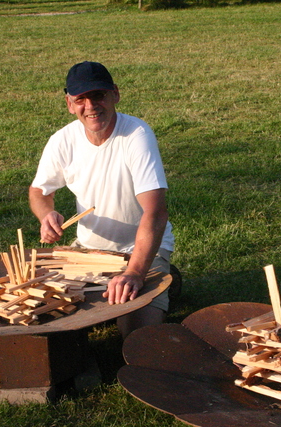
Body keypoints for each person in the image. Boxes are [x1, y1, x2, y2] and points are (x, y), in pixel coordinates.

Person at [29, 61, 175, 339]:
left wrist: (134, 273)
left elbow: (155, 213)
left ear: (115, 95)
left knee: (137, 336)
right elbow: (39, 192)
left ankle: (161, 278)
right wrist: (46, 214)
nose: (91, 106)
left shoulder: (136, 135)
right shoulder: (63, 140)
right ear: (70, 104)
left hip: (141, 252)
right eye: (81, 99)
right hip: (87, 251)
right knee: (46, 314)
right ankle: (158, 285)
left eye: (98, 95)